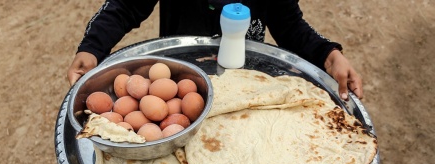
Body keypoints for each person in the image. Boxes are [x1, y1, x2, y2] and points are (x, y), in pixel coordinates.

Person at [67, 0, 363, 100]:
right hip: (180, 82)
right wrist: (93, 47)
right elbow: (125, 6)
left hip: (247, 85)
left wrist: (329, 55)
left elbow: (290, 25)